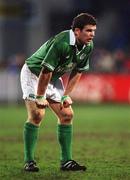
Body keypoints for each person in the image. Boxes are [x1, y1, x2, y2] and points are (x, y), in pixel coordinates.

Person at [20, 12, 97, 172]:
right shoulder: (62, 42)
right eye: (88, 31)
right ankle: (29, 161)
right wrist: (40, 97)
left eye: (94, 31)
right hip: (33, 73)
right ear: (77, 31)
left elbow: (78, 71)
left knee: (67, 115)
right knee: (37, 115)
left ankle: (66, 161)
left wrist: (66, 94)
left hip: (51, 78)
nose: (92, 34)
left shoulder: (88, 46)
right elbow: (45, 72)